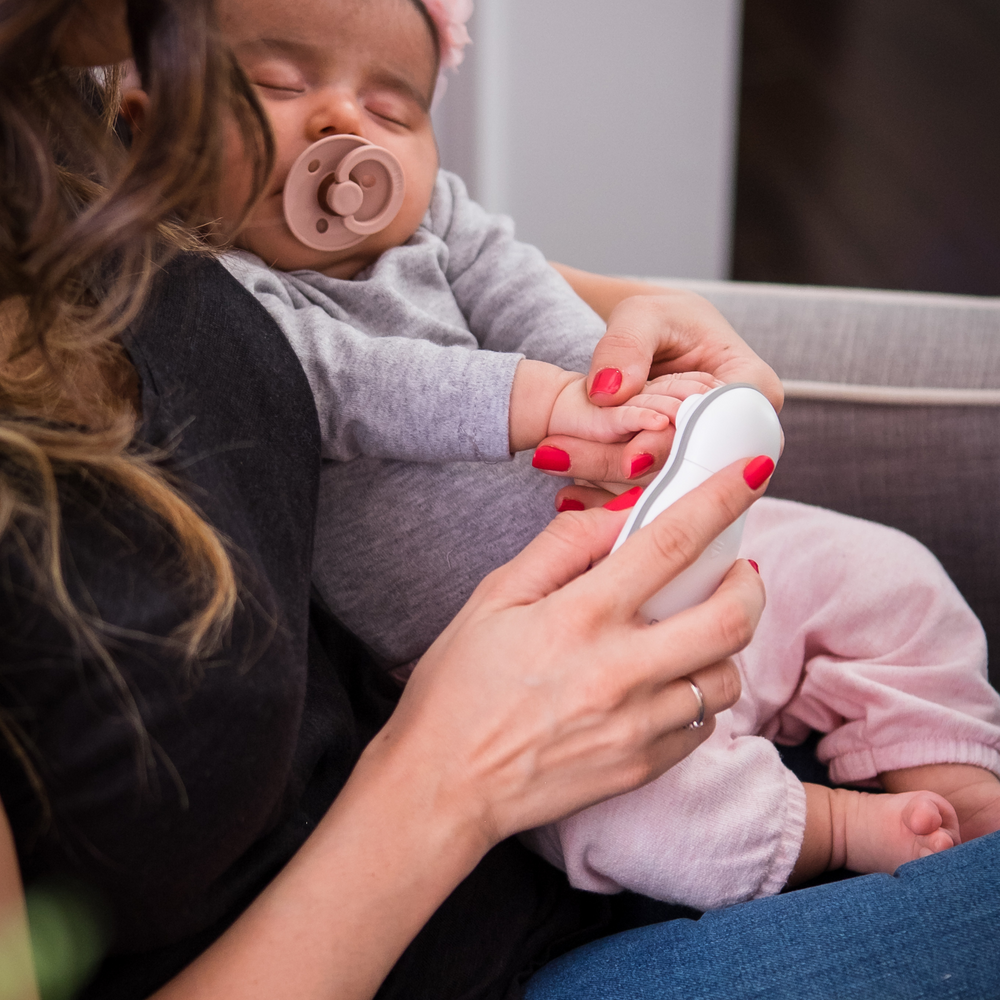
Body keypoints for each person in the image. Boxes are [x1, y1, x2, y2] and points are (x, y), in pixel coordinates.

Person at [0, 3, 997, 1000]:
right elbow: (352, 380)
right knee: (648, 822)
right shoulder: (232, 274)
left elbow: (509, 281)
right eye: (278, 85)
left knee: (888, 575)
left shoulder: (74, 158)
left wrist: (617, 374)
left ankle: (948, 772)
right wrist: (545, 405)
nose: (346, 124)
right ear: (146, 118)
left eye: (393, 107)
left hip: (631, 559)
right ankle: (820, 832)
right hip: (500, 786)